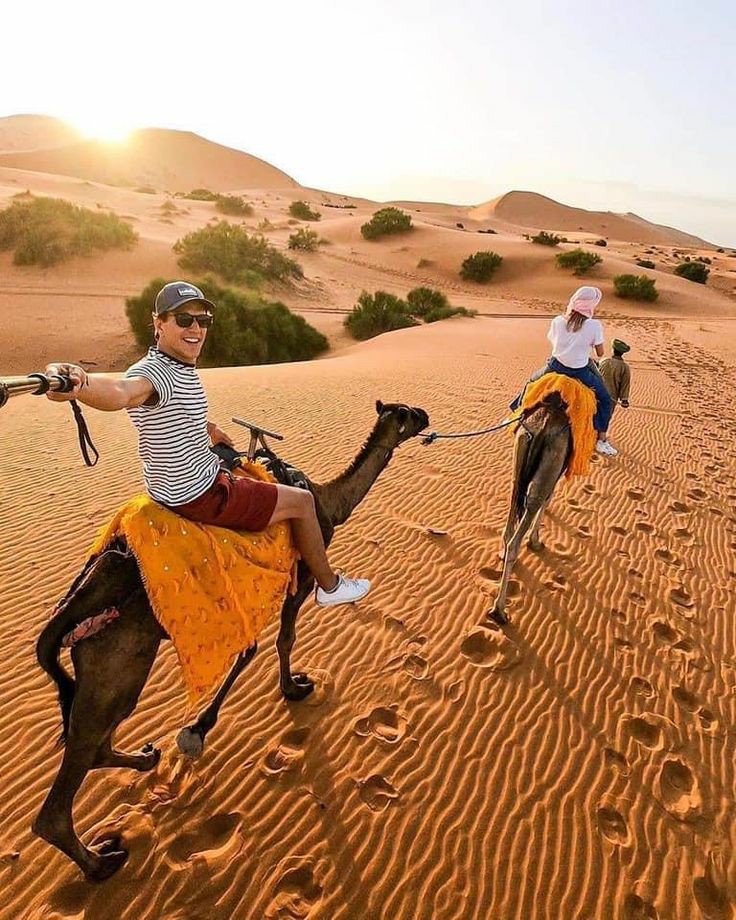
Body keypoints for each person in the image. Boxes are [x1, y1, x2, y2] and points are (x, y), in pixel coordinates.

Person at [45, 280, 370, 607]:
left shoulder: (174, 365)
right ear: (159, 323)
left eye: (203, 321)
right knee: (301, 501)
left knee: (234, 458)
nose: (196, 329)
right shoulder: (156, 374)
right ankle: (329, 587)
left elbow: (172, 414)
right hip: (201, 493)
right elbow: (121, 393)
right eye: (184, 320)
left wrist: (207, 430)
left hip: (168, 485)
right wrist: (81, 386)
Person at [510, 286, 617, 456]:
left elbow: (553, 341)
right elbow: (600, 353)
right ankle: (601, 440)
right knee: (605, 399)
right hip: (580, 370)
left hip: (556, 365)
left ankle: (517, 413)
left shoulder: (558, 321)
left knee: (531, 382)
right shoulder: (594, 325)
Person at [598, 340, 631, 430]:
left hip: (596, 394)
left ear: (613, 350)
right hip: (611, 398)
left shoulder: (603, 361)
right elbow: (625, 385)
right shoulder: (624, 367)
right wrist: (624, 400)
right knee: (605, 419)